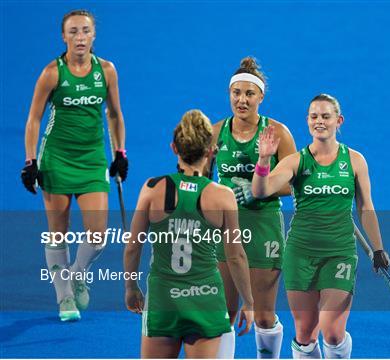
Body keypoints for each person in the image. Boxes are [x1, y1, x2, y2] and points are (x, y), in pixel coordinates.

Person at [252, 94, 390, 359]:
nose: (319, 121)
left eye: (326, 116)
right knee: (305, 334)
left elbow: (365, 208)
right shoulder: (296, 161)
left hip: (339, 253)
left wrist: (378, 248)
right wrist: (264, 160)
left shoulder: (354, 161)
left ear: (338, 121)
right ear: (307, 121)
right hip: (300, 254)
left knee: (333, 332)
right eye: (314, 116)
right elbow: (262, 190)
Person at [21, 9, 128, 321]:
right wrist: (30, 161)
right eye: (73, 32)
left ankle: (76, 273)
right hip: (56, 159)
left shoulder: (106, 71)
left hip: (92, 159)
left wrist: (120, 152)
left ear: (94, 35)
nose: (80, 37)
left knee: (98, 234)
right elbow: (34, 119)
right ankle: (64, 298)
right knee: (59, 232)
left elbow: (114, 113)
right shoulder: (52, 73)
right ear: (63, 36)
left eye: (85, 31)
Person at [123, 109, 254, 358]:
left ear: (174, 147)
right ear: (210, 151)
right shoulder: (223, 196)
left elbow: (132, 246)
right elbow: (235, 255)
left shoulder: (151, 189)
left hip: (163, 299)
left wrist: (131, 288)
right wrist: (249, 302)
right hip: (206, 299)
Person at [212, 57, 296, 358]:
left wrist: (259, 190)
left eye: (249, 94)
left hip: (264, 226)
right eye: (236, 93)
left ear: (261, 97)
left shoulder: (277, 132)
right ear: (228, 94)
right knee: (225, 312)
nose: (242, 100)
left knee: (262, 313)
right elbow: (200, 177)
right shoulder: (216, 132)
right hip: (226, 227)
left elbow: (295, 183)